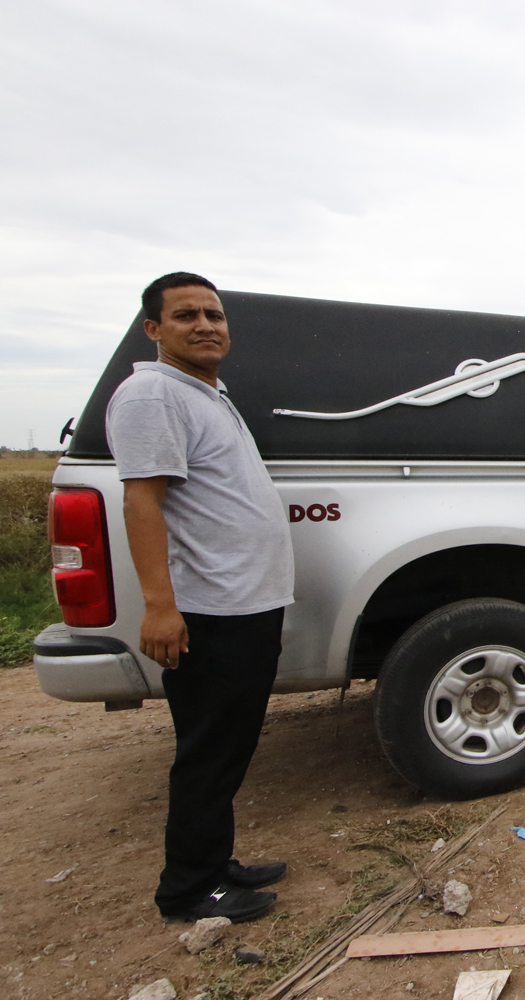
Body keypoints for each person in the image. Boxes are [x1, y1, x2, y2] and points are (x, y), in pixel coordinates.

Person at [106, 272, 295, 923]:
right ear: (154, 329)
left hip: (243, 603)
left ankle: (215, 864)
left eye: (214, 314)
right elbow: (142, 500)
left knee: (226, 746)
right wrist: (161, 605)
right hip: (210, 610)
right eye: (186, 315)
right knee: (209, 754)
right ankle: (190, 888)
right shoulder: (154, 394)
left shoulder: (205, 393)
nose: (207, 325)